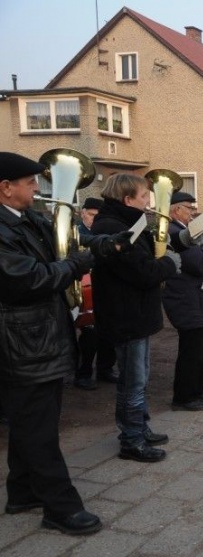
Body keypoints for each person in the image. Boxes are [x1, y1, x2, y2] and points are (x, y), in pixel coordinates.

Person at [0, 151, 122, 535]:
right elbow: (28, 279)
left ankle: (22, 492)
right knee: (38, 427)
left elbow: (68, 241)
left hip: (37, 334)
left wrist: (105, 244)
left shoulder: (26, 218)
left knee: (34, 421)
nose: (38, 189)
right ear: (5, 188)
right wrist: (75, 265)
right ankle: (60, 507)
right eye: (31, 183)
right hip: (21, 340)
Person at [91, 173, 181, 463]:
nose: (148, 202)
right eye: (144, 197)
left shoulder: (125, 222)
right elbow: (142, 273)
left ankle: (139, 427)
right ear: (127, 199)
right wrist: (169, 263)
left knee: (137, 380)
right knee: (133, 382)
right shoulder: (113, 227)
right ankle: (131, 440)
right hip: (126, 317)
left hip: (135, 314)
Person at [162, 191, 203, 411]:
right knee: (190, 351)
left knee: (199, 348)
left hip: (193, 298)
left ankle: (197, 390)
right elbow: (200, 264)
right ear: (176, 210)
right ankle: (183, 397)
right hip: (185, 298)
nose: (193, 213)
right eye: (189, 208)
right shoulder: (175, 232)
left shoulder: (184, 230)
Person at [74, 197, 119, 391]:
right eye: (91, 214)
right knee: (89, 333)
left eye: (97, 215)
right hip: (81, 288)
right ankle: (83, 373)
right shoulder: (75, 232)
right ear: (82, 213)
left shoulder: (104, 231)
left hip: (103, 288)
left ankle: (105, 369)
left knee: (109, 330)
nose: (94, 219)